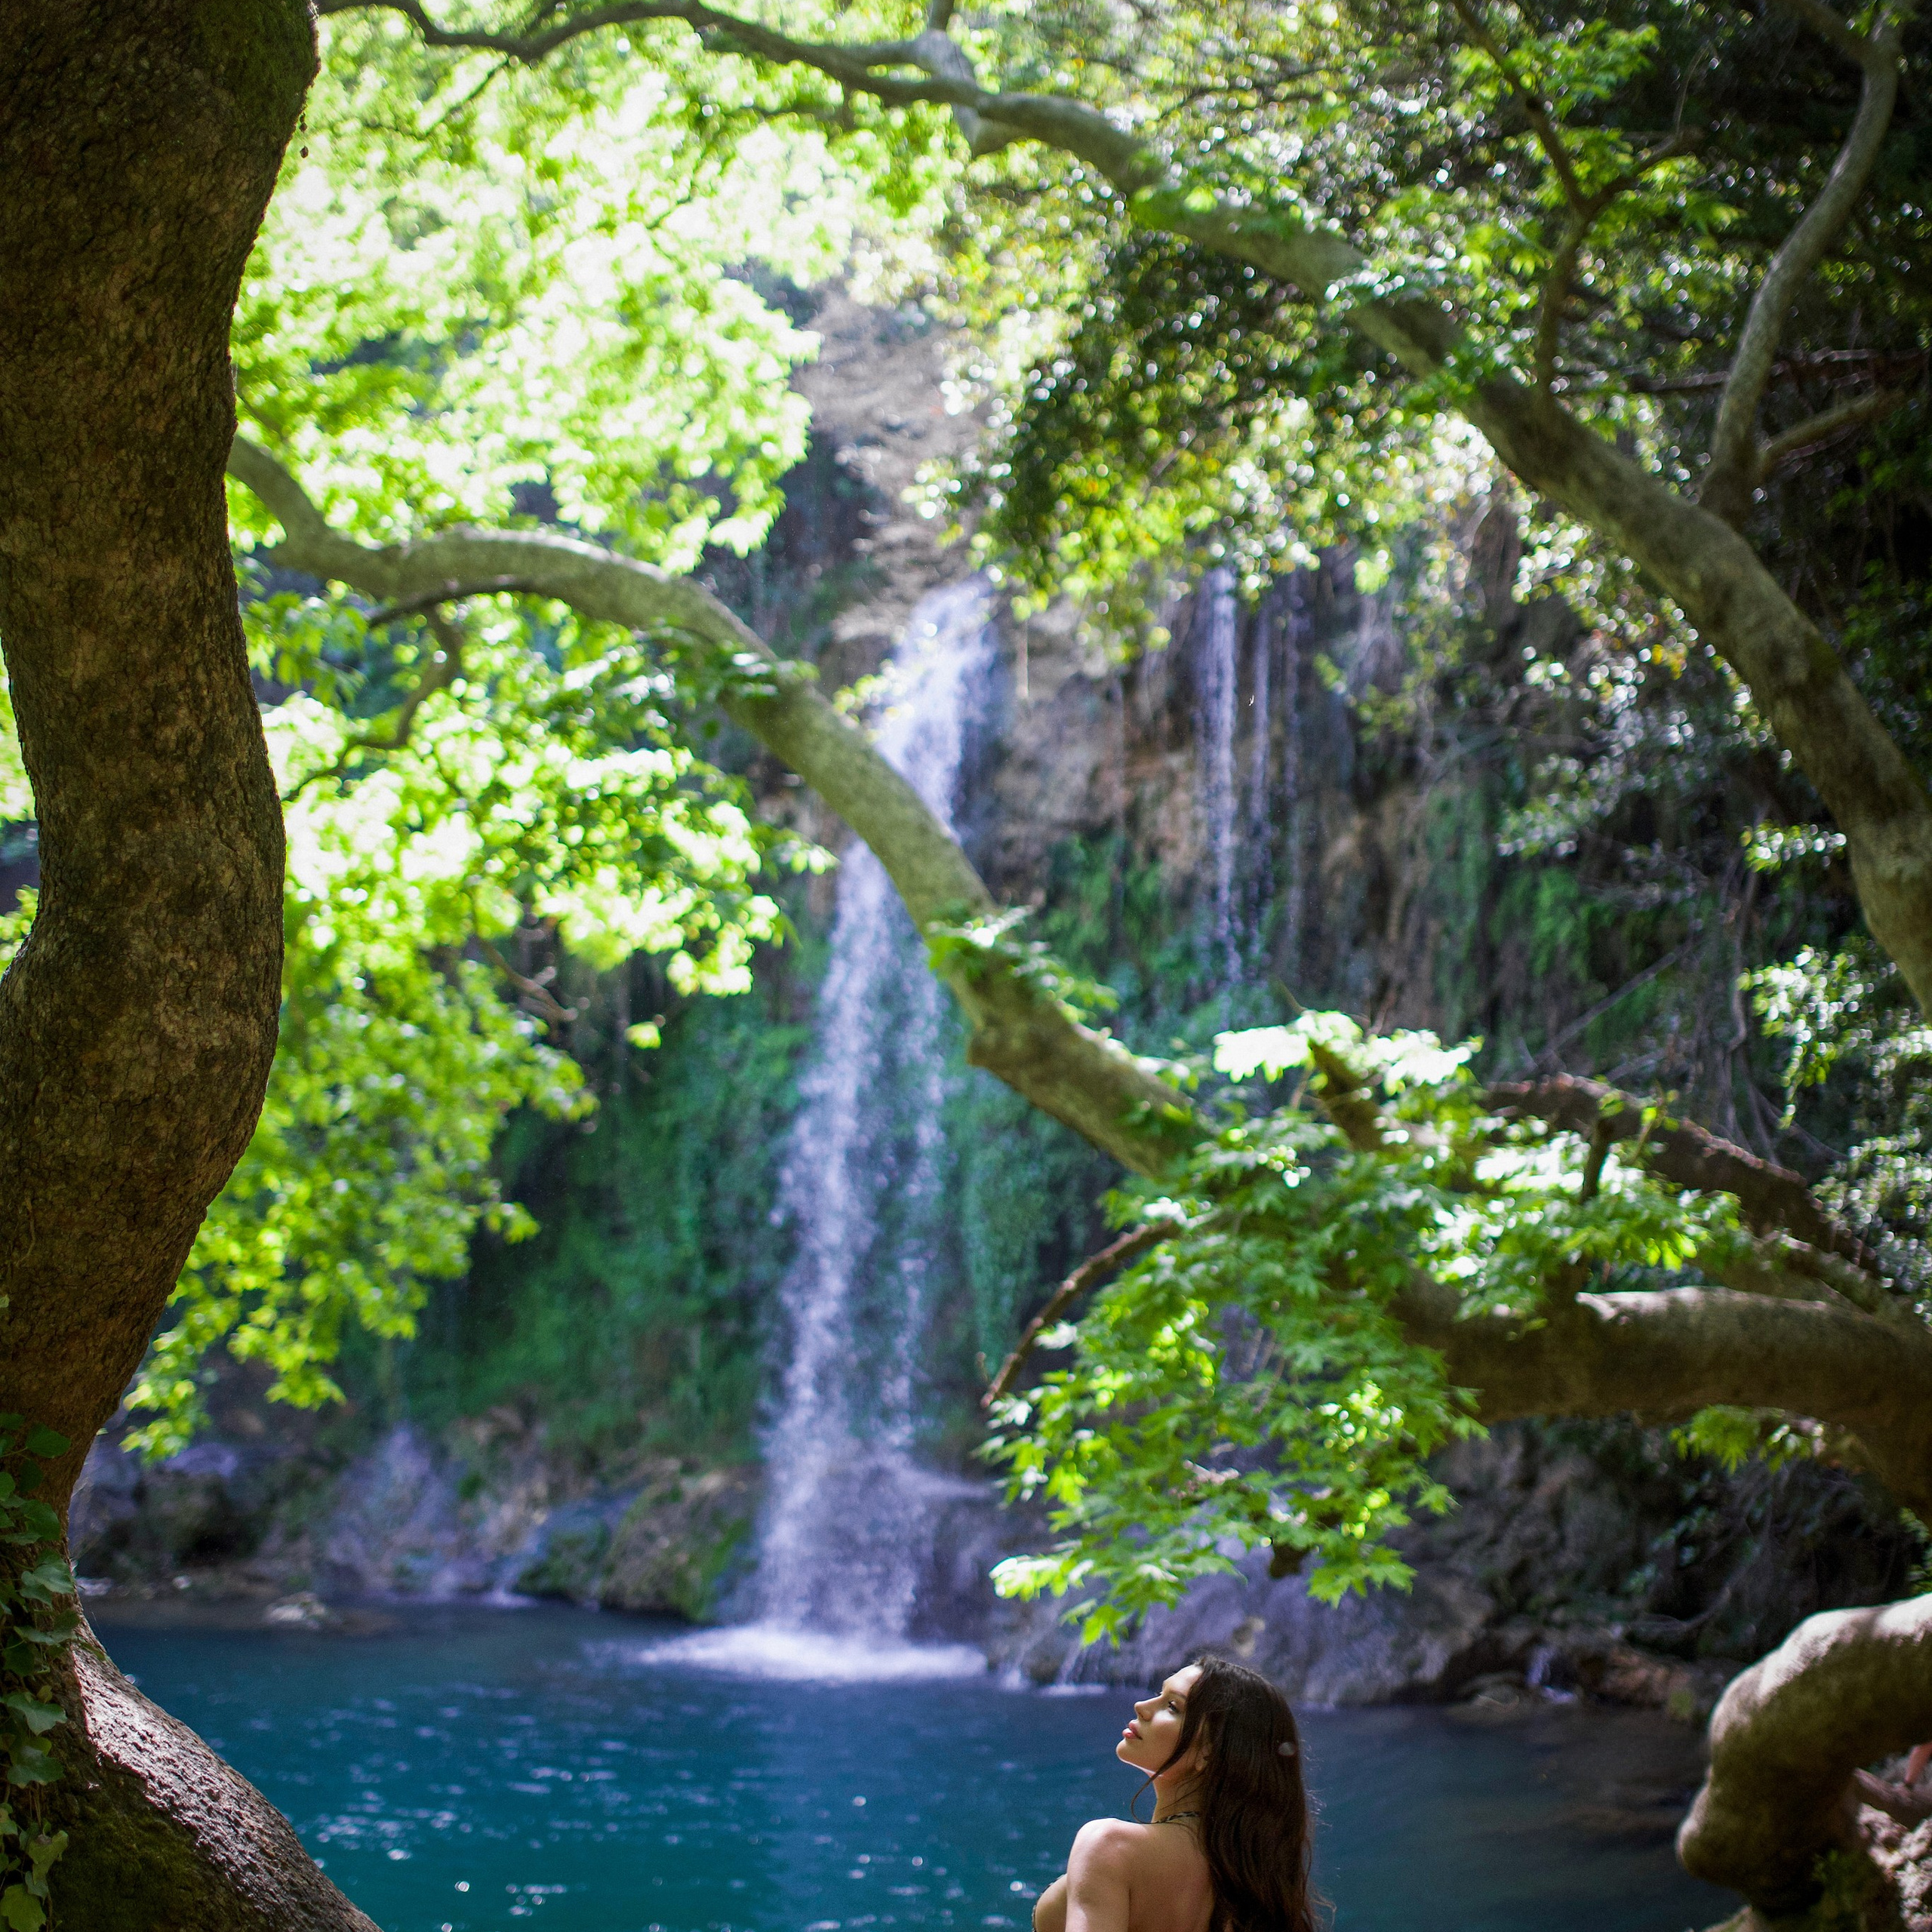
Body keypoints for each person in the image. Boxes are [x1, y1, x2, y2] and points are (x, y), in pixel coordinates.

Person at [1031, 1655, 1320, 1932]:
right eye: (1159, 1694)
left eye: (1172, 1706)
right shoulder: (1252, 1881)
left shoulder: (1111, 1847)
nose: (1141, 1706)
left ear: (1209, 1750)